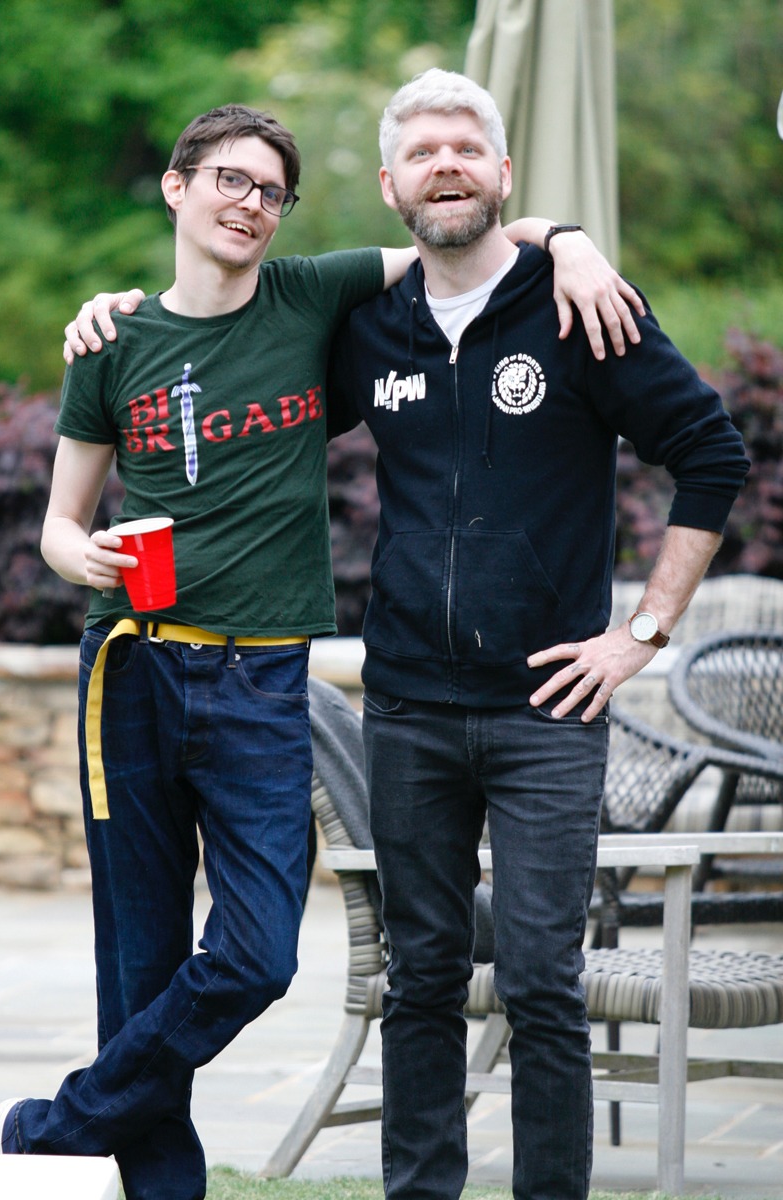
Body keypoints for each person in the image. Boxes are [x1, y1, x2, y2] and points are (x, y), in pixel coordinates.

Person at [0, 99, 643, 1200]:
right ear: (176, 187)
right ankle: (159, 1185)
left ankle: (61, 1119)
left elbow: (465, 220)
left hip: (258, 677)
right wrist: (83, 559)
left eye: (270, 191)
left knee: (255, 952)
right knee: (138, 959)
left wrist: (569, 239)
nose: (250, 204)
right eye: (229, 181)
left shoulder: (311, 294)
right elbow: (61, 522)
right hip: (132, 669)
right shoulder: (113, 341)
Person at [319, 70, 750, 1200]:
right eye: (422, 153)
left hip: (547, 707)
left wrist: (642, 632)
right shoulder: (368, 326)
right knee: (418, 980)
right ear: (389, 185)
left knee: (542, 984)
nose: (445, 164)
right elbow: (234, 361)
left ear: (504, 174)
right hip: (407, 703)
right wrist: (119, 317)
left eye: (467, 147)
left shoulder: (579, 310)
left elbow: (710, 456)